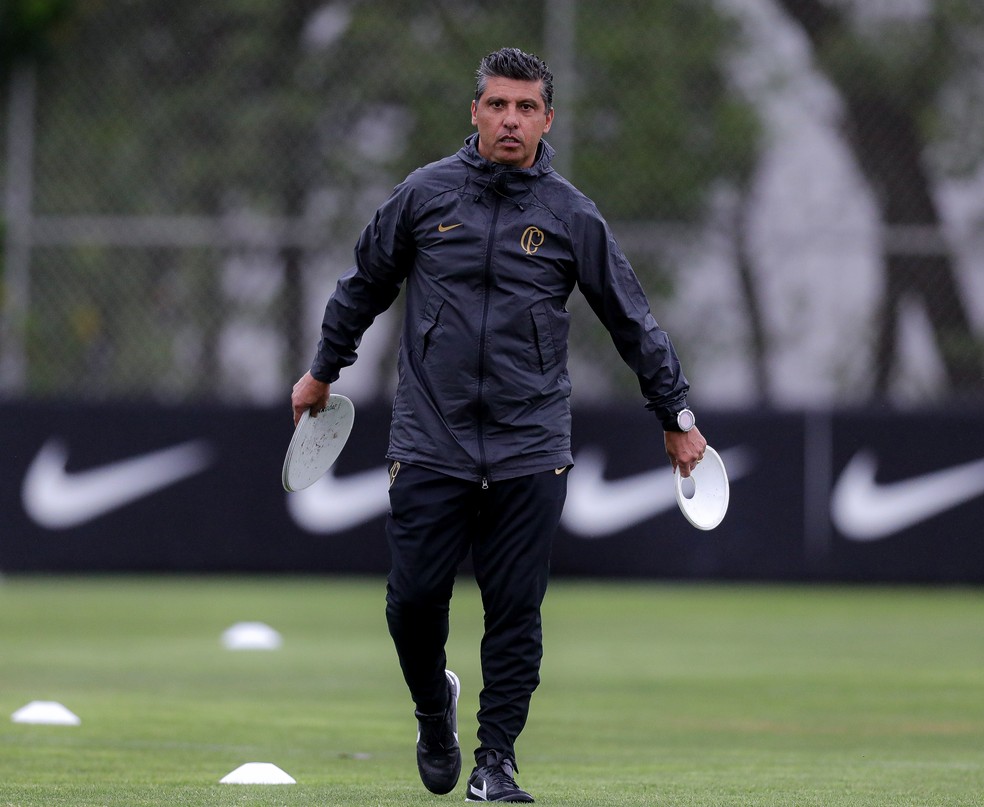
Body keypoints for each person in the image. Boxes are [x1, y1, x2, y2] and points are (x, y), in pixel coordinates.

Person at [291, 46, 707, 803]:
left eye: (525, 108)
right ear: (475, 111)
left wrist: (675, 415)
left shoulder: (571, 214)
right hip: (430, 438)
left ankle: (497, 762)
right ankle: (432, 710)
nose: (510, 120)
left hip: (530, 443)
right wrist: (323, 370)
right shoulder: (424, 195)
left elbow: (632, 320)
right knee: (412, 601)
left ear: (547, 119)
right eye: (497, 105)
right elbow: (363, 284)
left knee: (515, 610)